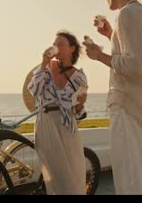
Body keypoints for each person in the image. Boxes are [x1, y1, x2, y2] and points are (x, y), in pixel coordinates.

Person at [83, 0, 142, 195]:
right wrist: (111, 35)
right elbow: (134, 56)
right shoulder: (138, 13)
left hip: (126, 105)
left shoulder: (127, 14)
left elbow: (134, 67)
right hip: (134, 106)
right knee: (136, 170)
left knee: (128, 174)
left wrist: (98, 56)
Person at [27, 31, 88, 195]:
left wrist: (80, 106)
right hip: (46, 123)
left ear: (72, 48)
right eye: (55, 44)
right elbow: (34, 90)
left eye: (61, 44)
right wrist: (43, 63)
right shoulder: (47, 67)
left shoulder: (79, 76)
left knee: (74, 172)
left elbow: (78, 111)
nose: (56, 47)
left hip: (67, 127)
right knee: (55, 176)